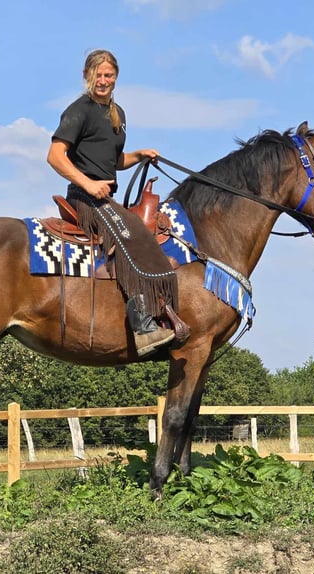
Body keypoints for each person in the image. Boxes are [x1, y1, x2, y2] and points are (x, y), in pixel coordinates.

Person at [47, 49, 187, 357]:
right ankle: (143, 327)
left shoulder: (117, 113)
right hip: (85, 198)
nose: (103, 80)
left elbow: (112, 160)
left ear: (116, 78)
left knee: (139, 228)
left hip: (105, 197)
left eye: (108, 75)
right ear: (87, 76)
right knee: (130, 237)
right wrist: (88, 183)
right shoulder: (79, 110)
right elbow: (55, 156)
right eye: (97, 74)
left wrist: (138, 156)